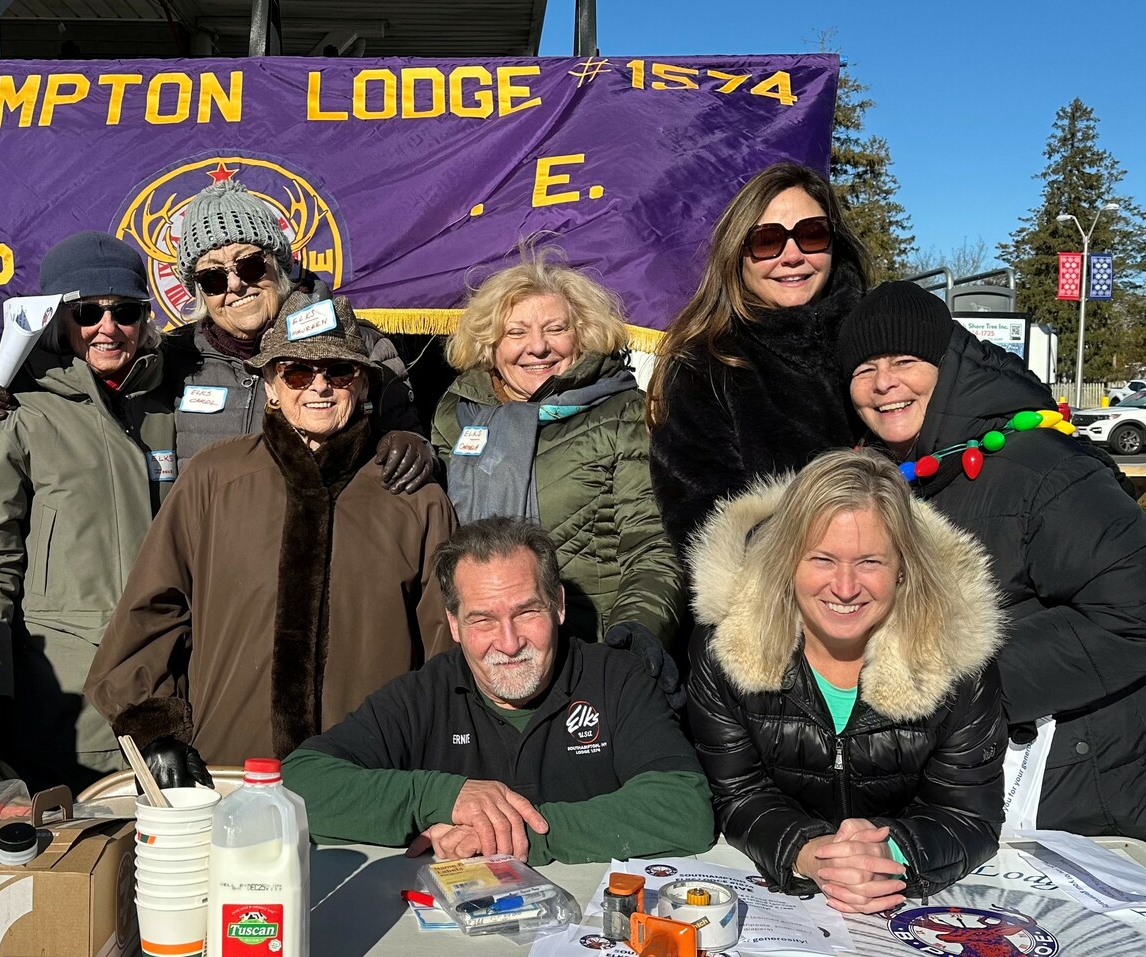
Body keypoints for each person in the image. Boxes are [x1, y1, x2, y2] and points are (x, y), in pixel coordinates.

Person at [86, 293, 457, 765]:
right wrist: (157, 731)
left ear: (362, 385)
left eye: (338, 371)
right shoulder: (212, 477)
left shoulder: (414, 498)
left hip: (371, 775)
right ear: (270, 387)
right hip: (228, 767)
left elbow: (446, 647)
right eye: (298, 372)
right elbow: (152, 611)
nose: (319, 388)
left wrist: (434, 756)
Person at [839, 280, 1146, 839]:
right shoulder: (886, 474)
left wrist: (944, 679)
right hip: (959, 778)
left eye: (905, 360)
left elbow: (1133, 613)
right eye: (864, 370)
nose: (884, 383)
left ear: (946, 365)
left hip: (1069, 791)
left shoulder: (1044, 468)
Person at [281, 516, 713, 865]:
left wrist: (515, 835)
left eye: (526, 612)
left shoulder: (616, 677)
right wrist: (442, 796)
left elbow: (684, 808)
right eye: (483, 620)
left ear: (559, 606)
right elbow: (295, 787)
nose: (508, 643)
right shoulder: (423, 694)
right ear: (453, 624)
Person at [0, 178, 435, 493]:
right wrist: (0, 378)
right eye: (211, 277)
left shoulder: (358, 345)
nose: (234, 285)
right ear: (196, 291)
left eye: (249, 265)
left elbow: (408, 433)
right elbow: (89, 369)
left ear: (281, 264)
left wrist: (411, 445)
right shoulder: (173, 357)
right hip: (213, 584)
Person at [685, 449, 1005, 913]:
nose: (845, 586)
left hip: (902, 901)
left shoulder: (960, 658)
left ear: (903, 569)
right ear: (786, 562)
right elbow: (737, 793)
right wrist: (807, 851)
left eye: (871, 562)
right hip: (786, 900)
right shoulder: (726, 647)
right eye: (822, 559)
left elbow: (968, 815)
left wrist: (889, 853)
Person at [0, 232, 183, 793]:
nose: (107, 326)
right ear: (56, 320)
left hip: (172, 698)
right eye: (87, 311)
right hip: (69, 711)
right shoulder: (12, 409)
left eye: (124, 310)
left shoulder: (168, 398)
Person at [431, 247, 683, 650]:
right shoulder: (456, 415)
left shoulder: (623, 414)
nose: (538, 347)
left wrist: (634, 638)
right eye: (516, 332)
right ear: (489, 342)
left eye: (556, 329)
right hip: (485, 654)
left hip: (593, 649)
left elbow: (652, 546)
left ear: (582, 335)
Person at [646, 161, 871, 554]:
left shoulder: (880, 337)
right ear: (739, 254)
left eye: (812, 234)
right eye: (767, 241)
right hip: (771, 600)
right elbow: (707, 526)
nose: (792, 256)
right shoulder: (706, 365)